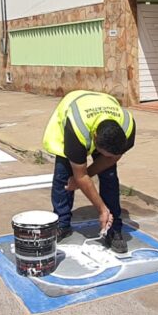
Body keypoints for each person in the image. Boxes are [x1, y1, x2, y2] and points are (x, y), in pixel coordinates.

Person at [42, 90, 136, 253]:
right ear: (94, 137)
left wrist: (84, 179)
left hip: (103, 106)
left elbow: (111, 159)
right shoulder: (76, 129)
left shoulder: (127, 128)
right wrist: (101, 208)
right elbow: (80, 174)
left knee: (110, 177)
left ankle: (113, 230)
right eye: (104, 154)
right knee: (64, 176)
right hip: (74, 108)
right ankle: (61, 224)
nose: (107, 157)